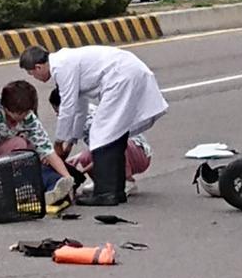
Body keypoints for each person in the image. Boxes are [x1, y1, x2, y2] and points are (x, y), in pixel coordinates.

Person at [20, 45, 167, 206]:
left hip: (121, 77)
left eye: (32, 73)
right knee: (114, 134)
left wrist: (59, 141)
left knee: (102, 134)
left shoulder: (61, 67)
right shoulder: (64, 62)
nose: (34, 77)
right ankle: (117, 190)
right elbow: (80, 107)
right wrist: (72, 138)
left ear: (38, 67)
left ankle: (105, 193)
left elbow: (68, 107)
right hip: (126, 73)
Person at [48, 87, 152, 197]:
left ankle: (127, 180)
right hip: (121, 150)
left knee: (113, 146)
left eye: (58, 112)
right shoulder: (81, 114)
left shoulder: (89, 121)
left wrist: (81, 172)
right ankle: (102, 182)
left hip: (137, 152)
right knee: (84, 157)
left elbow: (107, 150)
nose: (57, 116)